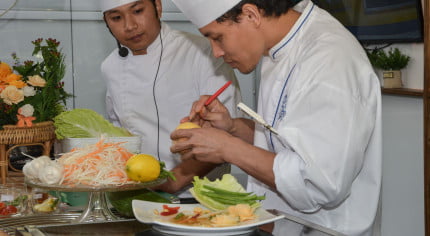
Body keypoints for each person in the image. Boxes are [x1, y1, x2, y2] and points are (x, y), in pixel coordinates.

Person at [170, 0, 382, 235]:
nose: (217, 52)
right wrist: (232, 128)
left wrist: (227, 148)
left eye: (217, 38)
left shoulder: (330, 59)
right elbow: (287, 143)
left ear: (251, 15)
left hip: (325, 230)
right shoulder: (278, 45)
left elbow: (318, 183)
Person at [100, 0, 241, 194]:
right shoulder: (110, 67)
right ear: (106, 22)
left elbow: (227, 132)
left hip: (204, 197)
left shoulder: (205, 52)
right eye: (116, 18)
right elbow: (119, 136)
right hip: (141, 194)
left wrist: (172, 182)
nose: (130, 26)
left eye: (138, 11)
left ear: (157, 6)